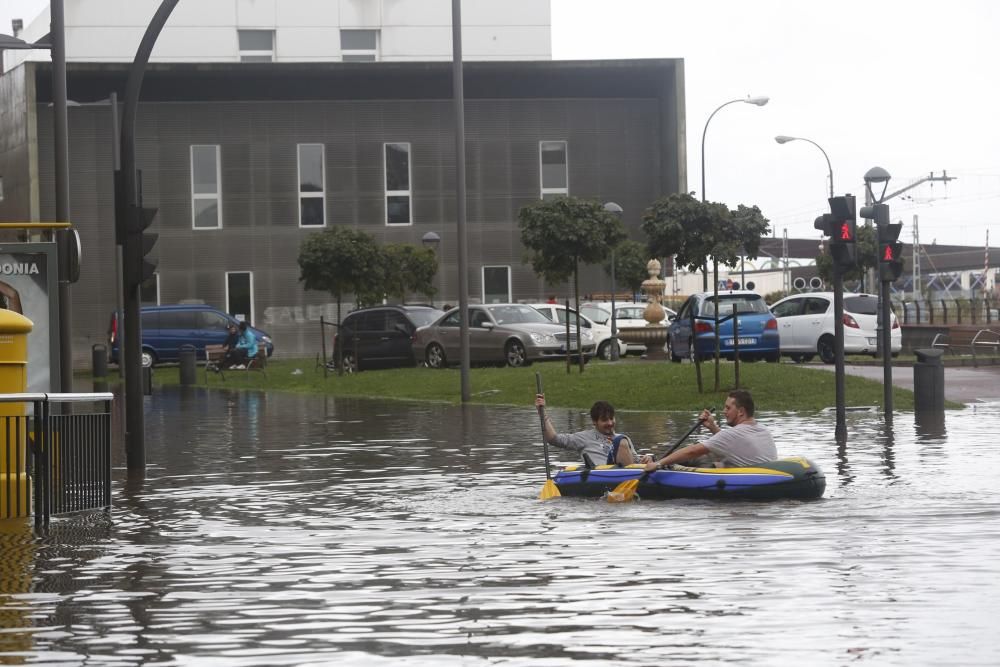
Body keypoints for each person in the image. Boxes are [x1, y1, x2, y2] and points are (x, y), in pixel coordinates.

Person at [644, 390, 776, 471]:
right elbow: (732, 442)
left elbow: (692, 451)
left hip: (747, 479)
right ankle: (654, 460)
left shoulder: (733, 434)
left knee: (700, 456)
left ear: (741, 411)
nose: (724, 412)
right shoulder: (763, 429)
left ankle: (654, 461)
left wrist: (659, 463)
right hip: (763, 476)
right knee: (716, 458)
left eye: (728, 408)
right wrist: (712, 427)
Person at [535, 393, 652, 467]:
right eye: (605, 420)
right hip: (600, 475)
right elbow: (553, 439)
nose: (610, 423)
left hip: (626, 474)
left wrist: (647, 458)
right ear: (594, 422)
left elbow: (636, 461)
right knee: (621, 441)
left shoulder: (624, 440)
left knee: (622, 440)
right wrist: (542, 412)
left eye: (611, 419)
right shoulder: (584, 437)